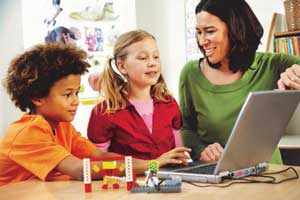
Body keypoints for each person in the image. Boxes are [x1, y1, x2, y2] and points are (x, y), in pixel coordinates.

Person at [0, 43, 173, 186]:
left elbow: (99, 156)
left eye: (77, 93)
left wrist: (152, 164)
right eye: (67, 94)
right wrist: (152, 165)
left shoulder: (63, 127)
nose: (76, 101)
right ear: (37, 97)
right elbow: (82, 170)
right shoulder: (26, 133)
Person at [179, 0, 300, 163]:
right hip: (218, 177)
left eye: (209, 31)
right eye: (199, 32)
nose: (202, 41)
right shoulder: (191, 74)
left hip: (270, 173)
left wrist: (295, 74)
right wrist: (201, 150)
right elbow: (186, 128)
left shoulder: (271, 65)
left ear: (235, 29)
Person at [87, 30, 191, 162]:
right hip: (127, 182)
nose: (152, 62)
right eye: (143, 58)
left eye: (156, 56)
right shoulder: (103, 112)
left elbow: (180, 155)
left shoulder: (169, 103)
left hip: (169, 181)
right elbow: (97, 163)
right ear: (122, 66)